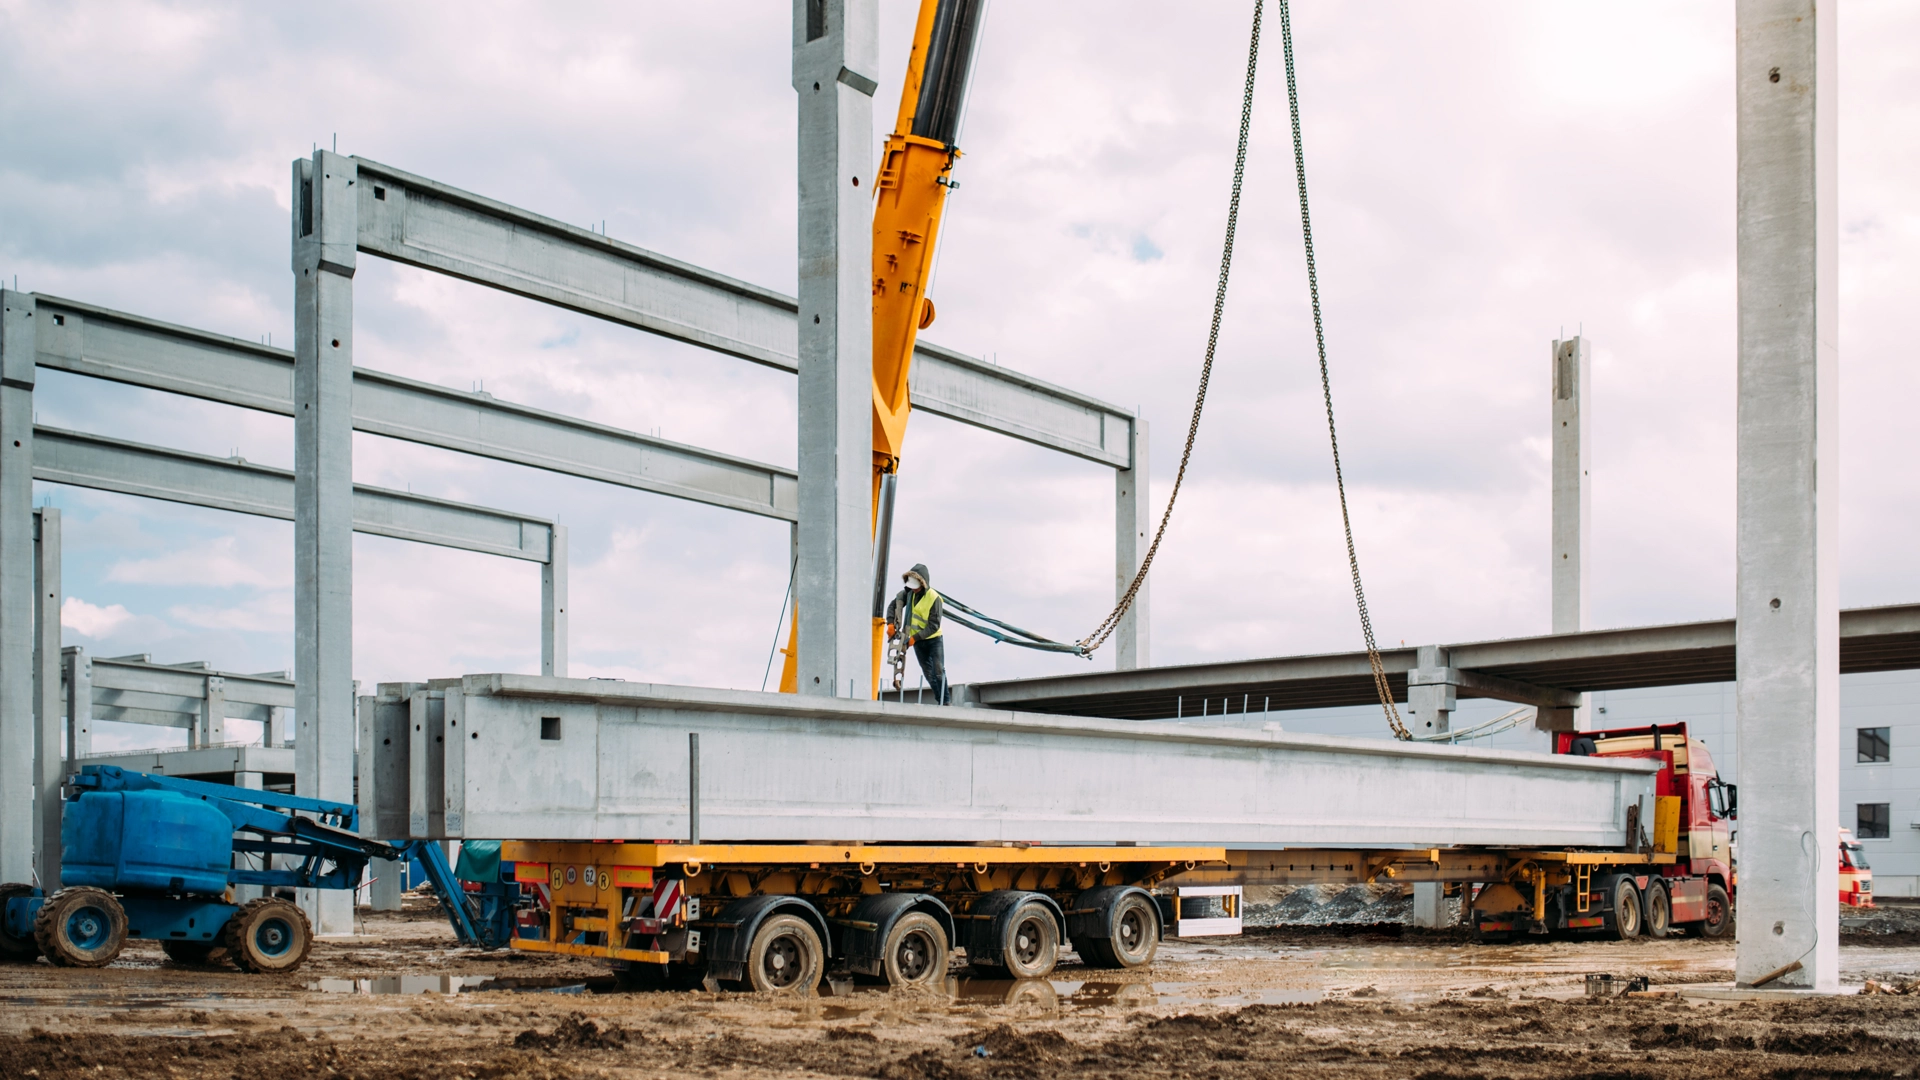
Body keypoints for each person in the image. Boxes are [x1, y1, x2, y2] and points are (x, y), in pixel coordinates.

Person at [886, 562, 948, 704]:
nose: (914, 590)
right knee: (928, 673)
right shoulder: (908, 594)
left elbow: (934, 625)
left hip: (933, 639)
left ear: (923, 584)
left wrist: (914, 638)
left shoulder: (934, 598)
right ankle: (940, 701)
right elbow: (893, 605)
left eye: (916, 588)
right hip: (918, 641)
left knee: (938, 671)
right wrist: (890, 623)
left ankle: (946, 702)